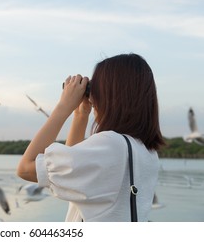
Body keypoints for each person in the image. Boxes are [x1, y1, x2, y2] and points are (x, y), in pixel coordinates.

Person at [17, 53, 164, 222]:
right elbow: (71, 168)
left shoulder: (111, 145)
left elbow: (25, 168)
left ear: (110, 94)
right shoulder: (146, 151)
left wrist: (63, 107)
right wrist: (81, 115)